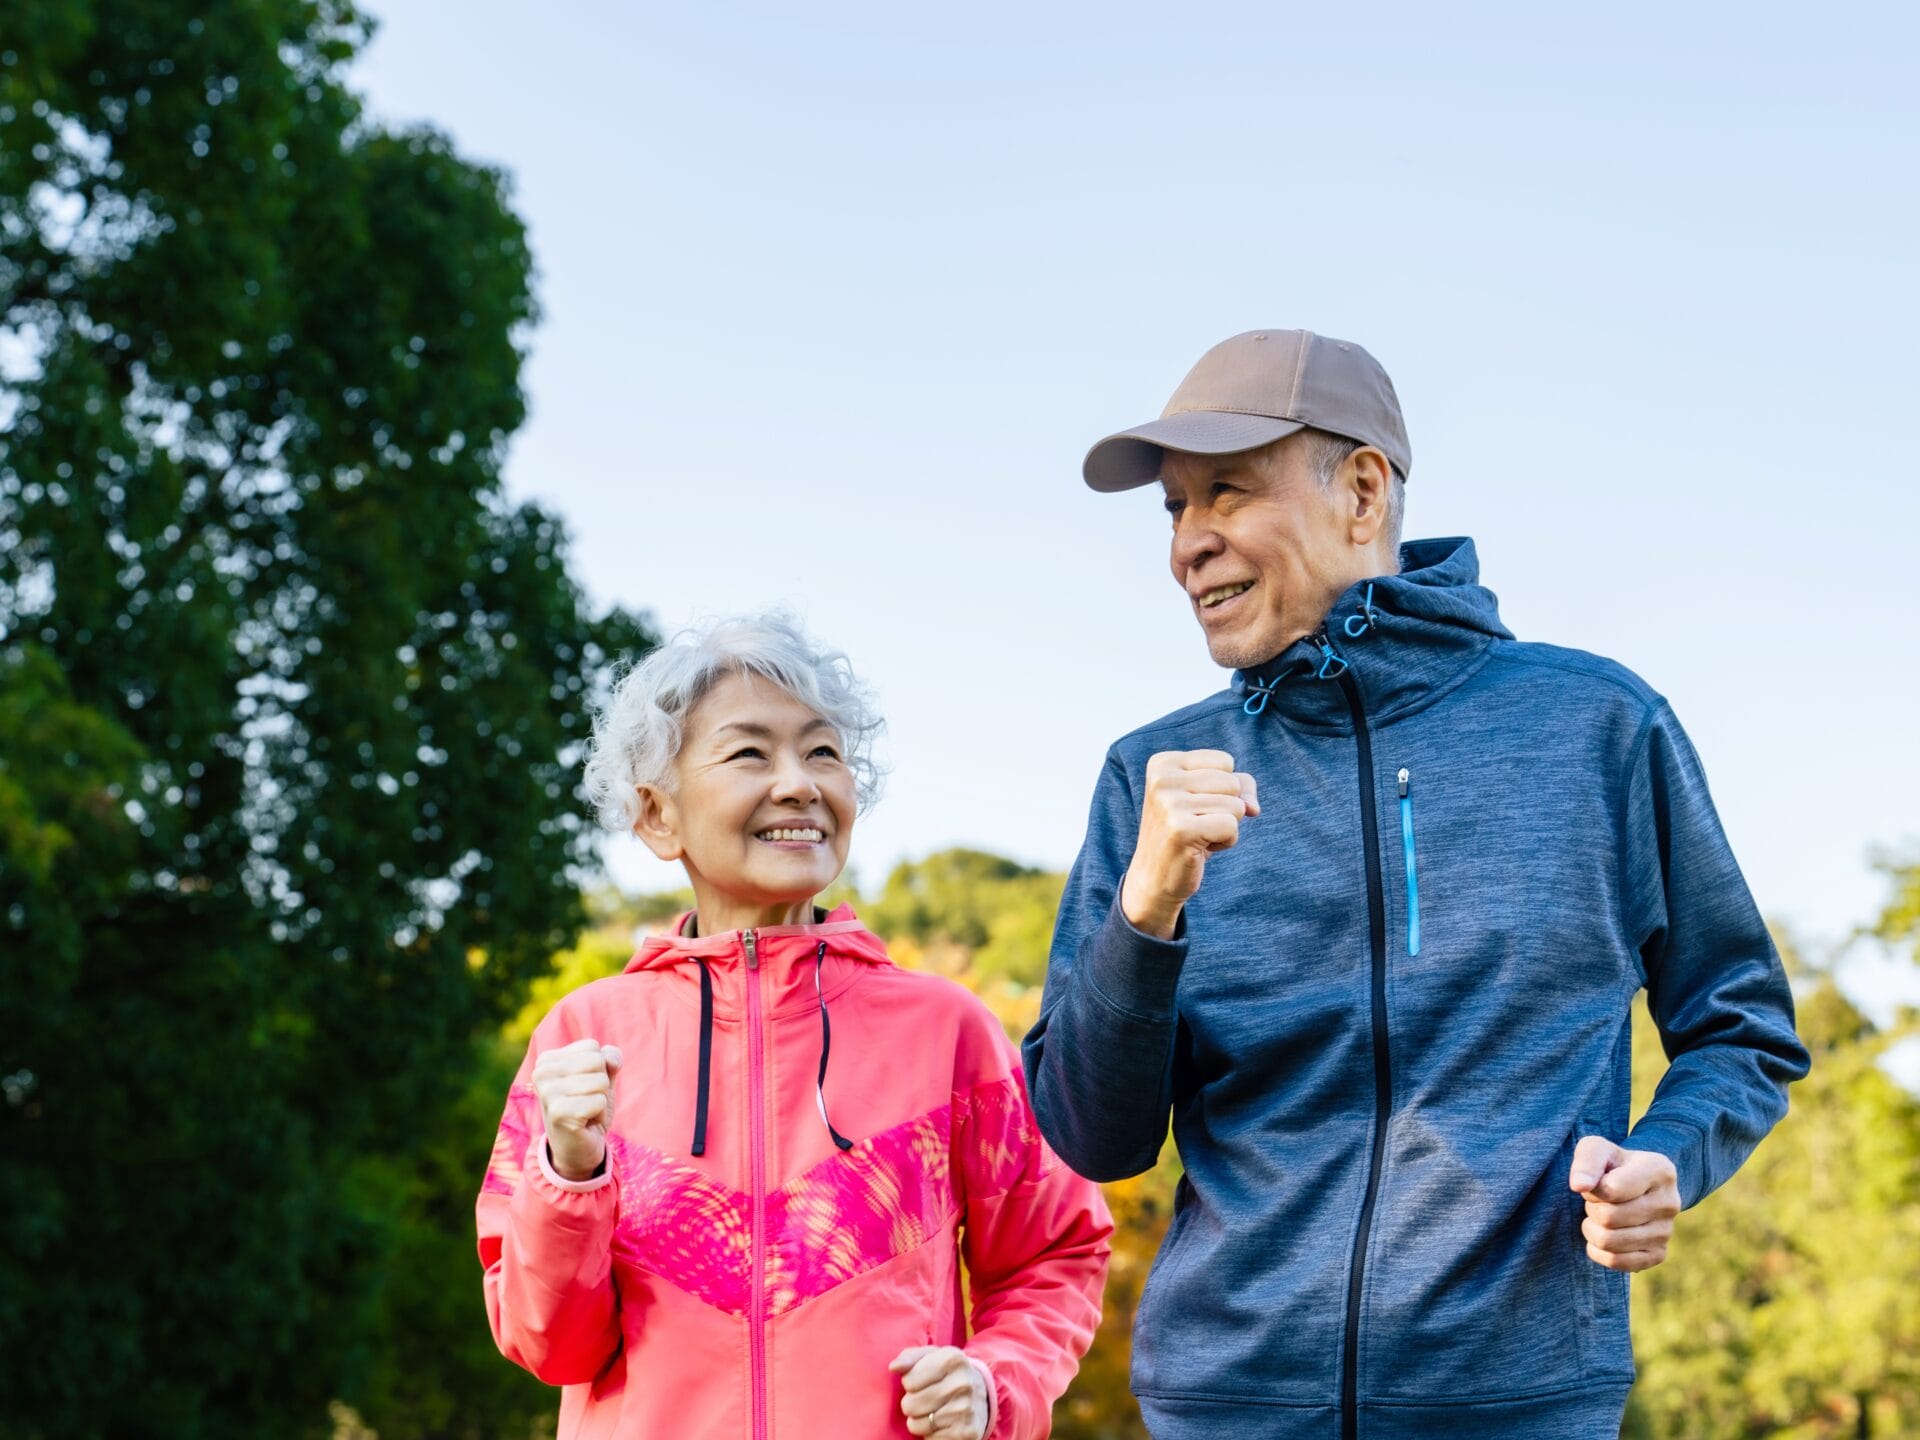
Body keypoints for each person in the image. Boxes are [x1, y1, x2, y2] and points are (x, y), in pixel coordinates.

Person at [1023, 329, 1811, 1439]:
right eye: (1175, 508)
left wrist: (1666, 1157)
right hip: (1227, 1408)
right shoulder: (1151, 778)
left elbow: (1742, 1027)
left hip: (1517, 1406)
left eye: (1228, 492)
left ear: (1361, 491)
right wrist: (1144, 915)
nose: (1188, 543)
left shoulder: (1597, 727)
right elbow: (1094, 1139)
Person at [478, 614, 1111, 1440]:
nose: (800, 784)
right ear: (658, 815)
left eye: (822, 753)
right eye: (750, 753)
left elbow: (1055, 1255)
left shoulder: (948, 1031)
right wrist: (570, 1172)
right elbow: (548, 1344)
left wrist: (996, 1383)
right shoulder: (583, 1036)